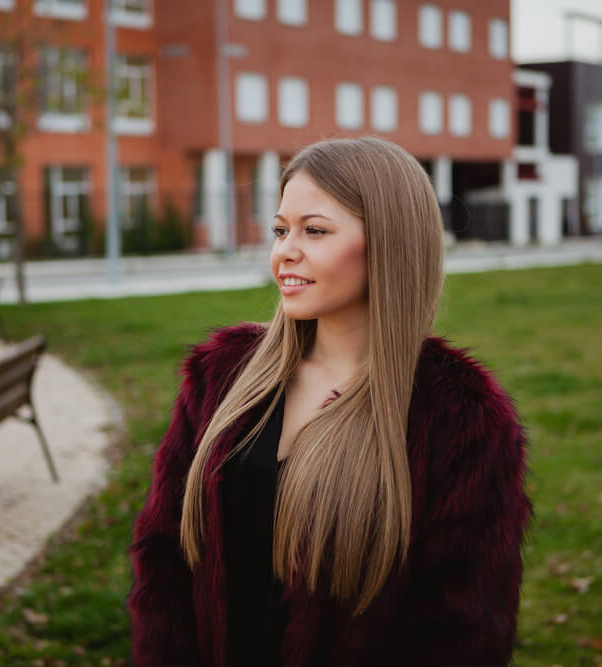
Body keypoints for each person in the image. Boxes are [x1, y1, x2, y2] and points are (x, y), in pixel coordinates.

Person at [128, 137, 532, 667]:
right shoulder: (220, 378)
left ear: (391, 242)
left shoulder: (459, 419)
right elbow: (164, 566)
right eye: (280, 230)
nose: (284, 251)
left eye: (314, 230)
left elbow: (461, 631)